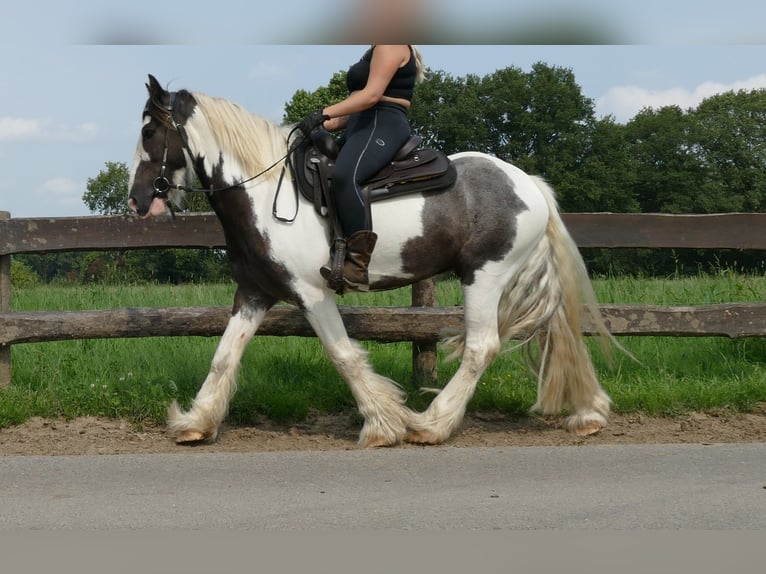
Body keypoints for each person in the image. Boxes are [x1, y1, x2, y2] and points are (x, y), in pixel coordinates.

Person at [297, 44, 426, 290]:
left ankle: (356, 264)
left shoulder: (391, 44)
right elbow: (356, 106)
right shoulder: (376, 48)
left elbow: (371, 96)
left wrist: (322, 113)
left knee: (346, 176)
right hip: (362, 124)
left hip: (383, 123)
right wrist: (318, 125)